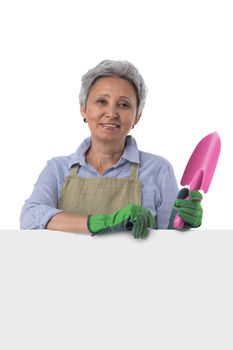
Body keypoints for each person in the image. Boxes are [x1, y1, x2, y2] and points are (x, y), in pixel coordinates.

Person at [20, 60, 203, 238]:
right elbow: (30, 217)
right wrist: (104, 222)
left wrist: (181, 227)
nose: (111, 113)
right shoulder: (58, 169)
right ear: (83, 109)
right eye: (101, 101)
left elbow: (169, 248)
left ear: (137, 116)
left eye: (123, 105)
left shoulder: (159, 170)